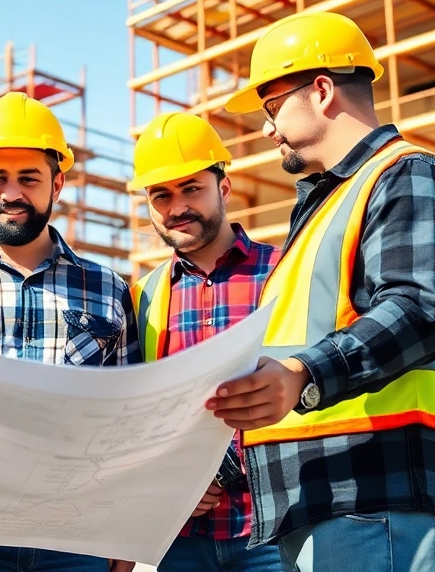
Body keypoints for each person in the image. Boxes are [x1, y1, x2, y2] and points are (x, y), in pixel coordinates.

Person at [205, 11, 435, 571]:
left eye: (272, 107)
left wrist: (303, 376)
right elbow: (291, 365)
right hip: (331, 503)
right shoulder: (327, 209)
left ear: (322, 91)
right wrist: (224, 468)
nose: (268, 129)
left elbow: (416, 310)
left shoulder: (407, 175)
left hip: (380, 500)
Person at [0, 92, 138, 572]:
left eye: (29, 179)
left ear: (57, 184)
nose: (11, 194)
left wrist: (125, 525)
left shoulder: (109, 290)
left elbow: (126, 419)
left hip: (74, 534)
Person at [127, 112, 286, 572]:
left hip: (276, 528)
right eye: (161, 195)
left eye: (191, 188)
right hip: (182, 537)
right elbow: (137, 416)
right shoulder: (141, 297)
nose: (177, 207)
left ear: (224, 188)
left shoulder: (286, 272)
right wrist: (169, 482)